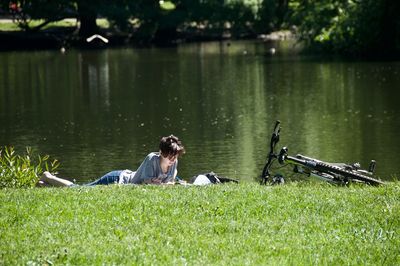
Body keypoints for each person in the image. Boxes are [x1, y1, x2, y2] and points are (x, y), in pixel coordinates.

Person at [39, 135, 185, 187]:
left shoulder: (174, 162)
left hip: (125, 180)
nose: (172, 160)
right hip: (118, 179)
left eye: (175, 156)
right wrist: (164, 185)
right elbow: (147, 184)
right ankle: (48, 177)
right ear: (161, 153)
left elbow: (168, 183)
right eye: (170, 156)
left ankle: (43, 185)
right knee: (80, 189)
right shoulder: (152, 159)